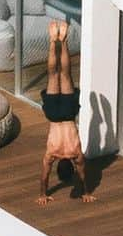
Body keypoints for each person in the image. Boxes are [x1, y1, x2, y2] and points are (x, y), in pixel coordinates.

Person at [38, 19, 92, 206]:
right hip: (54, 114)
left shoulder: (76, 154)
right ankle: (54, 41)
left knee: (64, 75)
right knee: (55, 74)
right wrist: (42, 194)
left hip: (68, 114)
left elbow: (82, 174)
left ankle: (63, 40)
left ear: (70, 168)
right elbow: (44, 176)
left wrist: (86, 191)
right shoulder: (52, 154)